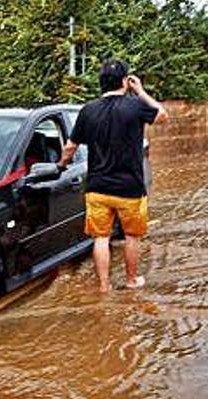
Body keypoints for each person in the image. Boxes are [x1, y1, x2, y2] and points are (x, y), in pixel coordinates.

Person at [58, 59, 168, 293]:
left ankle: (104, 286)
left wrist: (61, 165)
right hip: (130, 189)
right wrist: (141, 91)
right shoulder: (135, 106)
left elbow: (70, 147)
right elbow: (163, 115)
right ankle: (130, 280)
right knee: (131, 236)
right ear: (124, 81)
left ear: (100, 84)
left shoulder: (88, 110)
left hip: (97, 188)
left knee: (100, 238)